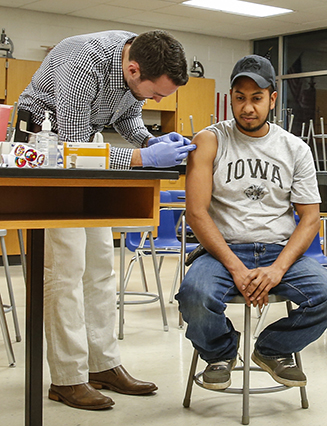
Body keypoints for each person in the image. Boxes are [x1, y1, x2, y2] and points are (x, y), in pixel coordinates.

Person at [16, 29, 196, 410]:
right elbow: (72, 144)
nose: (158, 100)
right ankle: (67, 378)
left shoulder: (136, 57)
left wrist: (151, 142)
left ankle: (102, 364)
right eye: (157, 94)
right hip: (46, 147)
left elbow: (128, 117)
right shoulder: (83, 62)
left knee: (100, 265)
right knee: (65, 268)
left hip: (86, 145)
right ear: (133, 70)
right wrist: (143, 160)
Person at [176, 54, 327, 391]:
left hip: (277, 251)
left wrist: (277, 269)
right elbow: (196, 212)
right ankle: (221, 353)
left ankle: (273, 350)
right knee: (194, 294)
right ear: (231, 98)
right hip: (220, 252)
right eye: (239, 98)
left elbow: (310, 217)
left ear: (272, 99)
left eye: (256, 98)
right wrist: (236, 268)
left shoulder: (294, 149)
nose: (247, 108)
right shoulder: (210, 140)